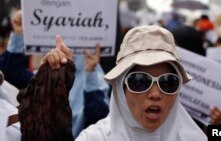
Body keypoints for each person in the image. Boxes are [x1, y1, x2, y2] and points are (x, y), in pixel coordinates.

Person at [42, 25, 207, 141]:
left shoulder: (195, 138)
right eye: (140, 81)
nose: (155, 94)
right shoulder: (95, 138)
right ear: (121, 89)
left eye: (168, 82)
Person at [0, 10, 110, 138]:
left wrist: (91, 72)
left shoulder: (96, 80)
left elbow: (99, 119)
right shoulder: (46, 78)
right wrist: (18, 35)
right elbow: (11, 73)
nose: (64, 48)